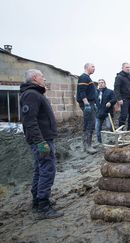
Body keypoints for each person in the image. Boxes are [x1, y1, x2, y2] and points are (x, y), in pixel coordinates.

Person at [20, 69, 64, 220]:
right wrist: (40, 143)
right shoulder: (31, 95)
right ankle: (43, 207)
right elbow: (30, 121)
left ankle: (38, 201)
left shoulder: (35, 94)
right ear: (34, 78)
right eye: (42, 77)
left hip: (44, 139)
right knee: (47, 170)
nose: (44, 79)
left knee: (41, 169)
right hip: (42, 141)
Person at [76, 63, 98, 154]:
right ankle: (88, 146)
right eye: (92, 66)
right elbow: (82, 91)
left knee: (88, 123)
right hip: (87, 103)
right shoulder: (84, 77)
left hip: (90, 103)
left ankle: (86, 145)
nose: (94, 68)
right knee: (90, 123)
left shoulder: (87, 77)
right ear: (87, 67)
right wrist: (86, 104)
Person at [114, 63, 130, 130]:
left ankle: (129, 129)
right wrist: (119, 99)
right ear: (122, 68)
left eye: (129, 67)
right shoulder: (119, 77)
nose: (128, 68)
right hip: (124, 99)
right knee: (124, 115)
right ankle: (121, 130)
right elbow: (116, 89)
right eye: (126, 67)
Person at [95, 79, 116, 144]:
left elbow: (114, 99)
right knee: (97, 128)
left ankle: (116, 137)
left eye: (102, 83)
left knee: (109, 126)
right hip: (98, 113)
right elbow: (93, 99)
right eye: (99, 83)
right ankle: (99, 142)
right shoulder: (96, 92)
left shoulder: (110, 91)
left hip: (107, 113)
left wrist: (110, 102)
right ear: (98, 85)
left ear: (105, 84)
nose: (101, 84)